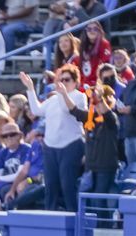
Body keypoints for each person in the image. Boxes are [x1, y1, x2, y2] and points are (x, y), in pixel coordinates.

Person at [21, 67, 87, 211]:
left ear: (76, 82)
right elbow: (36, 110)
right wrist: (30, 89)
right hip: (50, 147)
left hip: (71, 145)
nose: (63, 83)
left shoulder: (79, 96)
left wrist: (63, 94)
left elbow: (67, 109)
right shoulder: (53, 99)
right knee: (50, 185)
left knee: (67, 185)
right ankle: (50, 217)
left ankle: (73, 218)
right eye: (60, 80)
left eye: (67, 80)